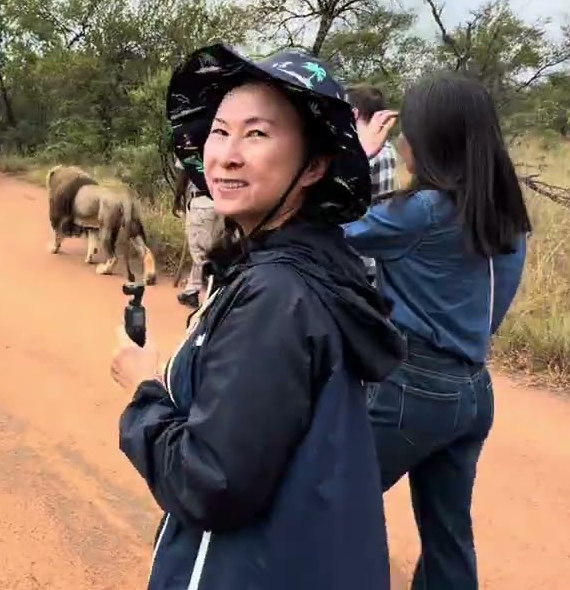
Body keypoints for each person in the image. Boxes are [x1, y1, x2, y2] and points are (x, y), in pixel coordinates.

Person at [111, 44, 407, 589]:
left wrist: (144, 390)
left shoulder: (277, 296)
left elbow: (210, 483)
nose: (225, 154)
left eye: (257, 134)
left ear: (314, 164)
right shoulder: (317, 267)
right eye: (220, 132)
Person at [344, 72, 532, 590]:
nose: (402, 140)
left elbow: (326, 228)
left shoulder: (420, 212)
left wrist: (355, 158)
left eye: (411, 129)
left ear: (431, 142)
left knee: (331, 503)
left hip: (414, 388)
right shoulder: (508, 217)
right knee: (449, 537)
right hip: (474, 389)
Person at [346, 84, 399, 287]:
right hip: (375, 248)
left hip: (358, 251)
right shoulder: (387, 148)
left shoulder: (365, 153)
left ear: (354, 113)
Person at [171, 156, 224, 309]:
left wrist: (176, 199)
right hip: (222, 201)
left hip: (201, 202)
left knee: (199, 250)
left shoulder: (190, 146)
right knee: (214, 247)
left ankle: (212, 292)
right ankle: (191, 290)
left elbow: (183, 174)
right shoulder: (221, 143)